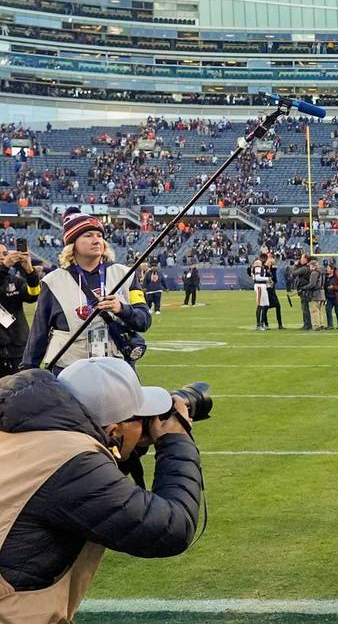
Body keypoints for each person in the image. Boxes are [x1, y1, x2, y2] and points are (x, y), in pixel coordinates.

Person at [0, 357, 202, 623]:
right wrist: (176, 441)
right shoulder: (70, 463)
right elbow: (171, 527)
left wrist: (124, 448)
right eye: (139, 420)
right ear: (114, 429)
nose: (146, 427)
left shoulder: (23, 424)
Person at [22, 209, 151, 375]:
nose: (96, 240)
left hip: (117, 368)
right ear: (72, 243)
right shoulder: (52, 281)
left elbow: (144, 321)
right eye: (88, 235)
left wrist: (121, 309)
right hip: (68, 371)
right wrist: (27, 371)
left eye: (99, 235)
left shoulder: (125, 274)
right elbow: (39, 332)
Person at [0, 244, 41, 377]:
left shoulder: (15, 281)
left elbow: (33, 295)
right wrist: (4, 267)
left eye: (5, 254)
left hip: (18, 347)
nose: (2, 257)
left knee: (19, 389)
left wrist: (30, 271)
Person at [289, 255, 312, 330]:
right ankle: (306, 324)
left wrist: (295, 265)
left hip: (304, 290)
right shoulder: (306, 268)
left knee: (305, 308)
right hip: (304, 289)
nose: (300, 260)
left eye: (302, 258)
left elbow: (294, 273)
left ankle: (307, 324)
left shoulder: (304, 268)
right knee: (305, 307)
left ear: (306, 259)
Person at [263, 254, 284, 330]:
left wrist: (273, 267)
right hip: (266, 289)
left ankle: (280, 324)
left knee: (277, 306)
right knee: (265, 307)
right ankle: (265, 324)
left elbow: (275, 279)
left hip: (271, 289)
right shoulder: (263, 270)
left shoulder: (272, 270)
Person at [304, 260, 326, 331]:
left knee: (314, 310)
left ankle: (316, 325)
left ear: (313, 266)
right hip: (322, 293)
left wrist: (304, 288)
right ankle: (321, 324)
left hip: (316, 294)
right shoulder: (321, 272)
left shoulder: (314, 273)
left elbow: (312, 284)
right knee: (320, 310)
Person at [251, 257, 271, 331]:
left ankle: (262, 323)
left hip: (262, 286)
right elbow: (257, 277)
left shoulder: (261, 267)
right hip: (259, 286)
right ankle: (259, 325)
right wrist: (267, 279)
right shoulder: (258, 266)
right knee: (260, 305)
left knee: (266, 305)